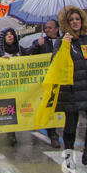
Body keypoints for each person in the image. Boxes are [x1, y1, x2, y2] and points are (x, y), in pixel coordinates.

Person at [54, 6, 87, 173]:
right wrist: (65, 45)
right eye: (71, 20)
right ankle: (69, 158)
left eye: (77, 19)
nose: (75, 22)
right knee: (70, 127)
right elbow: (55, 63)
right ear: (67, 23)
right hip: (73, 89)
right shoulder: (62, 41)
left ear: (82, 20)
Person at [26, 19, 61, 149]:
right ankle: (53, 134)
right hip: (45, 81)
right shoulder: (40, 42)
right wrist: (37, 46)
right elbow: (28, 55)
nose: (47, 30)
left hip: (60, 80)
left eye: (50, 28)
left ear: (57, 29)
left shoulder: (63, 41)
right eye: (46, 28)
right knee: (48, 106)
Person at [0, 27, 27, 147]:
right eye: (7, 34)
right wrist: (0, 61)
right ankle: (10, 133)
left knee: (18, 107)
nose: (9, 36)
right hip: (5, 86)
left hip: (19, 84)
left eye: (11, 34)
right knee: (9, 108)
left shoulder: (20, 49)